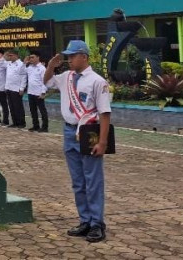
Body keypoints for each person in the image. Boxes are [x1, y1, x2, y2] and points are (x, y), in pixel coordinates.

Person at [44, 40, 112, 243]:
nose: (70, 59)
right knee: (78, 181)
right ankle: (84, 220)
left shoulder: (97, 81)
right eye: (68, 56)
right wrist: (50, 66)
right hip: (69, 131)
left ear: (84, 56)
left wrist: (103, 141)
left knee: (93, 180)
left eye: (73, 56)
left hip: (90, 131)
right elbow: (47, 82)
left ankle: (97, 224)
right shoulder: (66, 77)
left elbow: (105, 113)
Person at [25, 53, 49, 132]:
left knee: (42, 111)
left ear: (38, 57)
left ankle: (45, 127)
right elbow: (21, 72)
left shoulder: (42, 68)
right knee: (33, 110)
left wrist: (43, 92)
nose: (31, 59)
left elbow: (44, 81)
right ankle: (35, 125)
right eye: (30, 57)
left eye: (33, 57)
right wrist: (25, 63)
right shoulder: (29, 68)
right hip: (31, 92)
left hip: (39, 93)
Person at [4, 49, 27, 128]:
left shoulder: (21, 64)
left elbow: (24, 77)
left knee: (18, 107)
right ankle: (15, 122)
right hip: (9, 87)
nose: (9, 57)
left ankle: (21, 123)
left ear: (16, 55)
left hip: (17, 88)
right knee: (11, 106)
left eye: (11, 55)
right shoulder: (8, 63)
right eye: (9, 55)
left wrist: (22, 88)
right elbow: (1, 61)